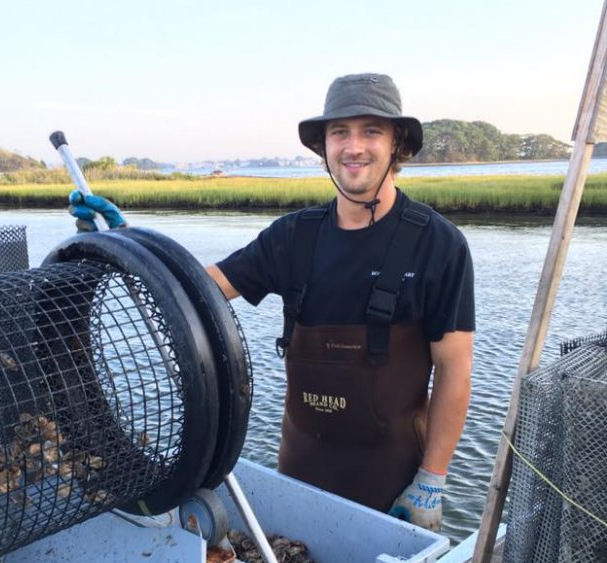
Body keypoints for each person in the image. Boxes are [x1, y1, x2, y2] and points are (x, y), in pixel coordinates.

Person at [69, 73, 474, 533]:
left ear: (397, 143)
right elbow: (193, 292)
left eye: (371, 131)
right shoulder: (292, 237)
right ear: (323, 146)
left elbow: (455, 369)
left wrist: (431, 479)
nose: (353, 147)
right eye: (339, 132)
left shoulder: (439, 245)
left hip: (392, 485)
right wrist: (124, 246)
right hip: (299, 474)